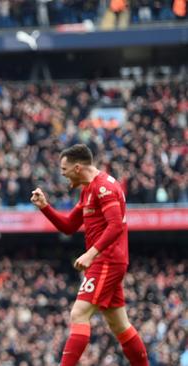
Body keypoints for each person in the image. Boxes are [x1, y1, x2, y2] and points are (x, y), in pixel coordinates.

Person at [30, 144, 148, 366]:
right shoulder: (88, 189)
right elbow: (69, 226)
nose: (62, 175)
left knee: (79, 314)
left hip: (107, 260)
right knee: (119, 325)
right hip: (106, 260)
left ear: (77, 167)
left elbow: (115, 226)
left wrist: (90, 254)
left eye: (64, 170)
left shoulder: (104, 188)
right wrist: (45, 207)